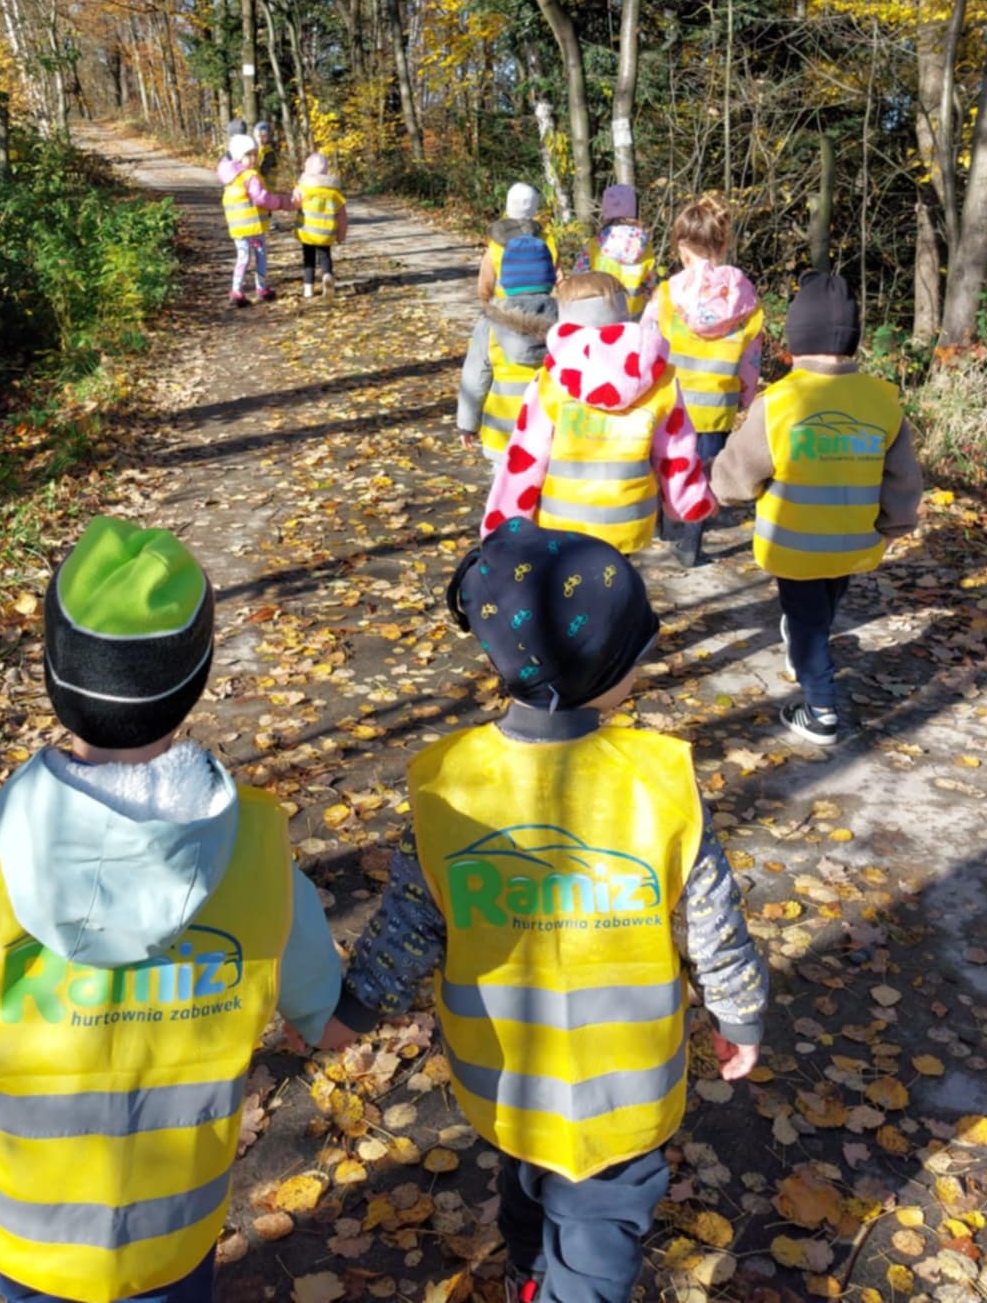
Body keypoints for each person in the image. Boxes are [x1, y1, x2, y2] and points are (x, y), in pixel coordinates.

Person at [0, 516, 342, 1303]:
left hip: (25, 1219)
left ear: (54, 674)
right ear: (195, 679)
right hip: (172, 1217)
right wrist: (322, 1014)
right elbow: (301, 949)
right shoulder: (253, 839)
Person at [326, 521, 768, 1303]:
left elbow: (408, 926)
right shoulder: (659, 782)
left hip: (507, 1075)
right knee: (598, 1244)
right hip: (623, 1094)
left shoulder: (450, 783)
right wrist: (738, 1013)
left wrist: (354, 1009)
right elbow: (713, 921)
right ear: (610, 668)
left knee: (526, 1184)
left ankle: (528, 1278)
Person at [711, 272, 923, 747]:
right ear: (853, 339)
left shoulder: (781, 402)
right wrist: (894, 526)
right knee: (821, 607)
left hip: (794, 544)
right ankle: (804, 648)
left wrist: (720, 487)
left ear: (795, 339)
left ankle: (821, 710)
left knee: (808, 624)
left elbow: (738, 476)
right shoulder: (882, 402)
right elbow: (903, 479)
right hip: (854, 543)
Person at [482, 270, 714, 554]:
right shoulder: (660, 380)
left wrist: (503, 524)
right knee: (619, 578)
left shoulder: (551, 380)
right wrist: (687, 501)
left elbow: (525, 458)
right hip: (630, 519)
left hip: (563, 520)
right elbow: (675, 453)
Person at [639, 196, 764, 568]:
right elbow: (751, 359)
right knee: (702, 472)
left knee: (667, 462)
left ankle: (665, 527)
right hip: (716, 406)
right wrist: (744, 396)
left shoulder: (665, 296)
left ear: (681, 248)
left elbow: (646, 346)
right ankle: (688, 544)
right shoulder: (745, 300)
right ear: (723, 246)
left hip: (670, 402)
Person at [457, 236, 558, 464]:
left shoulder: (490, 323)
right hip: (554, 429)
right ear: (550, 278)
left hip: (503, 431)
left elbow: (475, 376)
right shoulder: (568, 320)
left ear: (505, 280)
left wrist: (467, 424)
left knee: (505, 484)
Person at [219, 132, 292, 306]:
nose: (253, 158)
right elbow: (261, 198)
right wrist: (279, 202)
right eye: (248, 155)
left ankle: (236, 291)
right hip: (254, 227)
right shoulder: (251, 176)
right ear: (239, 157)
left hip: (238, 228)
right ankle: (261, 288)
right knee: (260, 256)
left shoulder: (231, 178)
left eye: (254, 154)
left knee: (243, 258)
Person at [477, 183, 559, 302]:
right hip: (544, 306)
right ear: (534, 208)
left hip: (506, 307)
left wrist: (487, 305)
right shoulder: (547, 240)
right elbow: (559, 281)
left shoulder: (496, 244)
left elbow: (485, 285)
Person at [588, 184, 655, 314]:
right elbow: (650, 283)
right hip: (635, 313)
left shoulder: (593, 246)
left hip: (602, 313)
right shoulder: (646, 247)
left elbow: (579, 278)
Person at [294, 151, 347, 298]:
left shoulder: (303, 189)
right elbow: (342, 216)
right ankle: (327, 276)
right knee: (325, 256)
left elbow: (293, 203)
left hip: (307, 232)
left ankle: (308, 289)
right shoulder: (334, 194)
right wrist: (341, 235)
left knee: (308, 259)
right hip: (326, 232)